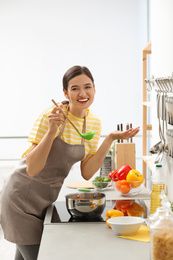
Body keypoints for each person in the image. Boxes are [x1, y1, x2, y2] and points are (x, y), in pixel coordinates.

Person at [1, 65, 140, 260]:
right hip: (20, 196)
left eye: (87, 87)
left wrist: (109, 139)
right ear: (66, 92)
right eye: (74, 88)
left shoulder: (93, 123)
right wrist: (51, 131)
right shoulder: (52, 115)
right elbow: (32, 168)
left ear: (94, 89)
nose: (82, 93)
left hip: (45, 200)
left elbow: (87, 172)